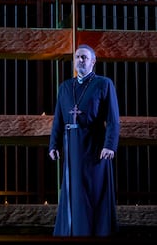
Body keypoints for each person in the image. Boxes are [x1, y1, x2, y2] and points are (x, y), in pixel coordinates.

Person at [48, 44, 120, 237]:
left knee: (94, 193)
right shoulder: (65, 87)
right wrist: (53, 145)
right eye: (78, 57)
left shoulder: (104, 84)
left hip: (95, 147)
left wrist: (109, 145)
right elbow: (58, 119)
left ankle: (97, 233)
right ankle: (73, 232)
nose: (80, 60)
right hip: (72, 146)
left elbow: (113, 119)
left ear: (93, 61)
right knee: (74, 192)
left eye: (84, 58)